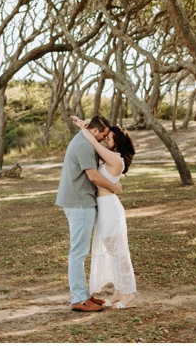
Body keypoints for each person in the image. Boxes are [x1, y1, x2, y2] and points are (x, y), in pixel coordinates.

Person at [54, 114, 119, 312]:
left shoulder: (84, 138)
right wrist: (115, 187)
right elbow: (93, 177)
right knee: (78, 252)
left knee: (80, 251)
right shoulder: (84, 145)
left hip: (79, 201)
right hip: (80, 203)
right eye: (103, 135)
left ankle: (84, 295)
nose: (103, 139)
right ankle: (79, 299)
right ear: (94, 131)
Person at [72, 114, 138, 308]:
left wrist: (85, 129)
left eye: (109, 138)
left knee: (119, 252)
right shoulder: (109, 157)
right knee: (112, 250)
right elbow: (94, 143)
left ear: (117, 144)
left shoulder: (116, 159)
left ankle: (128, 293)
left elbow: (94, 143)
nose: (105, 139)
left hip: (110, 208)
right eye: (105, 136)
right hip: (103, 208)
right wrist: (86, 127)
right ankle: (119, 290)